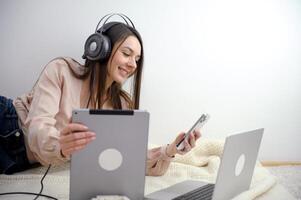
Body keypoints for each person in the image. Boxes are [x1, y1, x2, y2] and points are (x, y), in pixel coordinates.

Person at [0, 14, 201, 175]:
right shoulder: (61, 70)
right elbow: (37, 129)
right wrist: (60, 145)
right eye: (127, 53)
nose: (133, 64)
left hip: (21, 160)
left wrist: (170, 150)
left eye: (137, 59)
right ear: (100, 48)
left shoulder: (121, 104)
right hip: (8, 126)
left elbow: (129, 159)